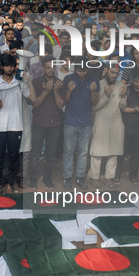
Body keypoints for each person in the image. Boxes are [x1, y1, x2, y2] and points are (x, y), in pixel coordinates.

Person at [0, 53, 30, 194]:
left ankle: (10, 184)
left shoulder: (19, 82)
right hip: (0, 126)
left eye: (11, 65)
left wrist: (27, 81)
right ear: (1, 66)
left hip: (16, 125)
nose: (9, 68)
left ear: (14, 67)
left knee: (14, 157)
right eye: (6, 65)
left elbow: (31, 97)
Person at [60, 56, 100, 190]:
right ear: (75, 69)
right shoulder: (68, 79)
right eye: (79, 70)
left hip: (86, 123)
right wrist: (69, 90)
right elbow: (64, 101)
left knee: (83, 152)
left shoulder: (94, 80)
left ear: (87, 69)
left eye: (84, 70)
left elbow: (95, 102)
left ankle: (80, 176)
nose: (82, 73)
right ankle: (67, 177)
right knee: (68, 151)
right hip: (70, 122)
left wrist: (93, 91)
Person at [28, 56, 64, 189]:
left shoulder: (59, 83)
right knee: (35, 153)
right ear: (42, 68)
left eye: (53, 67)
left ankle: (47, 179)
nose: (51, 70)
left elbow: (60, 105)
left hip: (55, 123)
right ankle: (32, 179)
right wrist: (46, 91)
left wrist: (55, 91)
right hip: (39, 122)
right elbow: (35, 103)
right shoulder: (36, 82)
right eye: (48, 67)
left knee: (50, 153)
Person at [90, 64, 126, 188]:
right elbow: (97, 106)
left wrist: (123, 96)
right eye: (112, 72)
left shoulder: (121, 85)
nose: (114, 75)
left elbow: (122, 106)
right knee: (97, 152)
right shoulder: (98, 84)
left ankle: (109, 177)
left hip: (116, 122)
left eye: (116, 73)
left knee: (113, 152)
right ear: (106, 71)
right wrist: (105, 95)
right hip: (101, 122)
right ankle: (94, 177)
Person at [117, 67, 139, 186]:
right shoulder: (127, 90)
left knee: (136, 154)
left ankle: (133, 176)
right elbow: (123, 109)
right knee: (122, 153)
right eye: (136, 81)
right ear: (132, 80)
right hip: (126, 127)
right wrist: (135, 110)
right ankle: (117, 176)